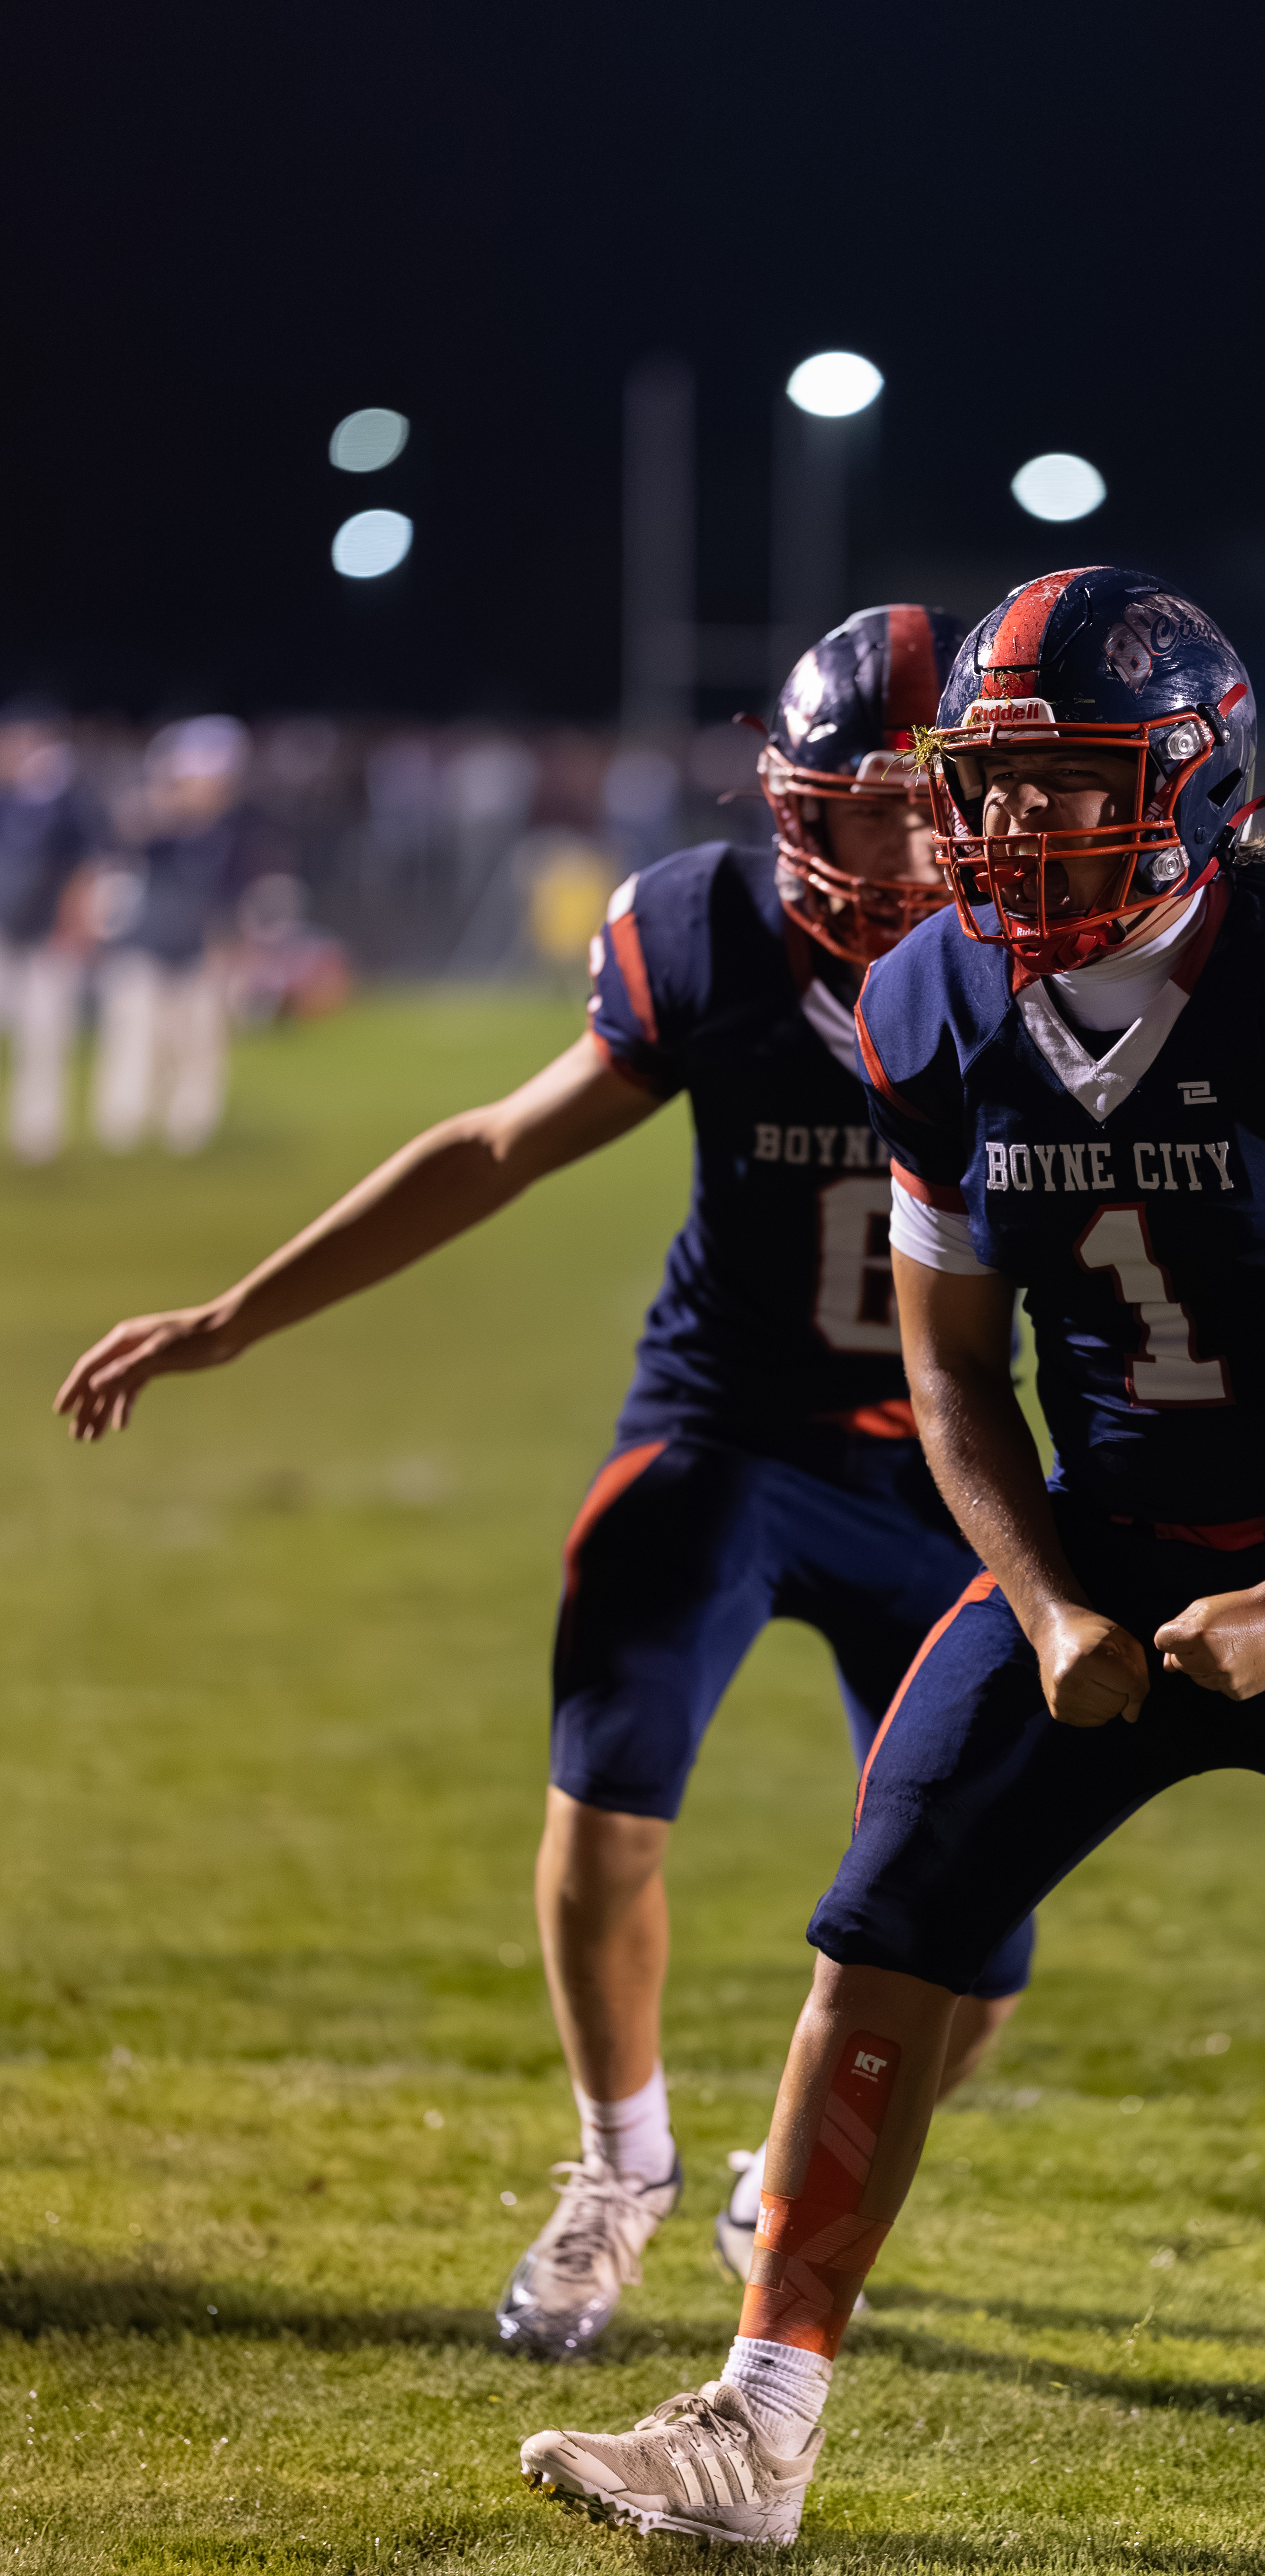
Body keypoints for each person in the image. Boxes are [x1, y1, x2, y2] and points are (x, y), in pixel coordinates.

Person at [518, 567, 1265, 2553]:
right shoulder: (931, 995)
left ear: (1191, 785)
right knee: (876, 1946)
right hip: (1100, 1530)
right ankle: (760, 2421)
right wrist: (1047, 1600)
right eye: (990, 782)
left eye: (1067, 781)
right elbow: (948, 1369)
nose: (1011, 825)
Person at [56, 608, 1039, 2356]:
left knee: (981, 1948)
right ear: (789, 802)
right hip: (725, 1422)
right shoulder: (706, 931)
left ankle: (781, 2170)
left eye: (918, 807)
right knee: (605, 1804)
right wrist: (232, 1317)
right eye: (853, 807)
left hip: (948, 1467)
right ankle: (617, 2162)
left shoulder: (1044, 960)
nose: (887, 848)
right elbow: (497, 1144)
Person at [91, 715, 261, 1155]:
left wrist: (234, 954)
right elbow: (124, 832)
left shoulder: (235, 835)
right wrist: (166, 800)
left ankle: (190, 1126)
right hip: (144, 945)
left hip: (202, 950)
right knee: (136, 1038)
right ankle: (124, 1124)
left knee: (200, 1044)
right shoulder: (159, 829)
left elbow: (235, 900)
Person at [0, 701, 95, 1164]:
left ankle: (38, 1133)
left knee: (43, 1037)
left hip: (48, 936)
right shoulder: (6, 802)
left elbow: (86, 872)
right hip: (4, 933)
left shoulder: (69, 807)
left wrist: (75, 925)